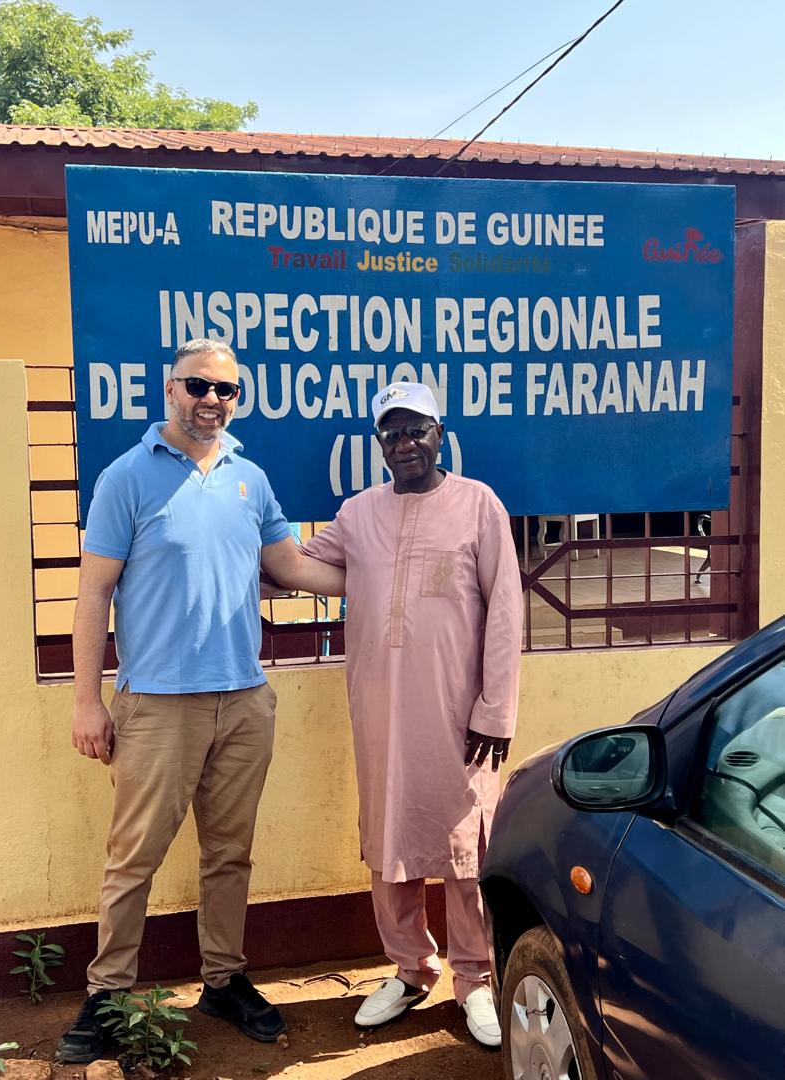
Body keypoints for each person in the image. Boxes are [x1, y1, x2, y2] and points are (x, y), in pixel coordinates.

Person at [56, 339, 344, 1064]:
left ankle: (224, 979)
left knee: (230, 854)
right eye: (198, 386)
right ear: (170, 389)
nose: (212, 400)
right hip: (157, 706)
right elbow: (92, 594)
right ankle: (108, 994)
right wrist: (86, 702)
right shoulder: (126, 478)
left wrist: (381, 577)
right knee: (134, 860)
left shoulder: (250, 478)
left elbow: (290, 564)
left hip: (243, 701)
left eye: (226, 390)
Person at [301, 381, 523, 1047]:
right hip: (381, 715)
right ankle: (410, 969)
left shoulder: (479, 505)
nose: (403, 444)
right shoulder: (358, 513)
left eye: (415, 430)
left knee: (464, 847)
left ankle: (475, 978)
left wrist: (495, 710)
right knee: (390, 841)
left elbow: (506, 612)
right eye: (391, 433)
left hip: (461, 718)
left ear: (439, 434)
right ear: (379, 443)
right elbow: (296, 567)